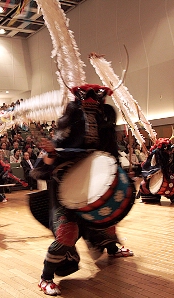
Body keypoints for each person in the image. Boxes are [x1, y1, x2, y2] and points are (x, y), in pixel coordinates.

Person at [30, 84, 135, 296]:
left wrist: (121, 173)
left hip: (92, 179)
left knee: (106, 218)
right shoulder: (68, 127)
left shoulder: (105, 125)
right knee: (67, 233)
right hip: (64, 188)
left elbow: (109, 154)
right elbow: (49, 160)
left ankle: (112, 249)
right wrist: (51, 153)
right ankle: (45, 278)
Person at [138, 137, 174, 204]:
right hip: (156, 174)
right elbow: (148, 166)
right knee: (143, 184)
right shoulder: (156, 154)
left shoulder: (171, 154)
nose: (170, 151)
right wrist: (150, 173)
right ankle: (148, 199)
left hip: (170, 173)